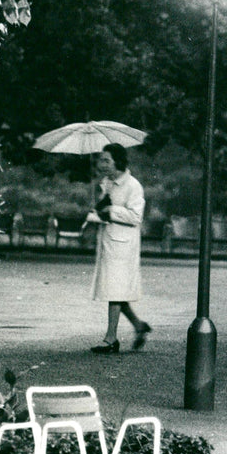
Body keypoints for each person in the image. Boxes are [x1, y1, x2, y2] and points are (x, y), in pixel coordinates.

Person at [85, 143, 152, 353]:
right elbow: (103, 211)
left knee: (115, 291)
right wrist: (97, 211)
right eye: (100, 160)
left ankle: (110, 338)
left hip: (123, 246)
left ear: (118, 161)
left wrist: (111, 209)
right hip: (108, 243)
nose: (101, 164)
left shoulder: (133, 186)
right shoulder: (106, 183)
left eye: (107, 160)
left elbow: (135, 216)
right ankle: (139, 326)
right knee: (115, 290)